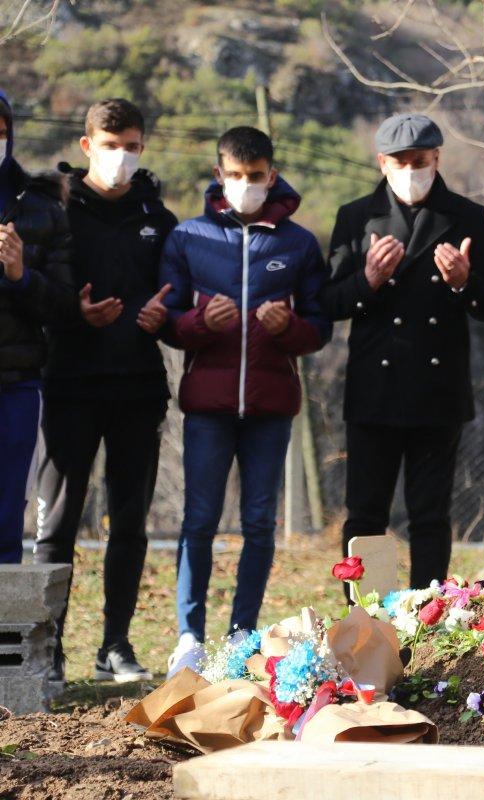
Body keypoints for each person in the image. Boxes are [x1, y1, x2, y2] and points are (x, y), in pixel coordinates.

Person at [160, 126, 331, 675]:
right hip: (207, 406)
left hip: (270, 406)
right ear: (219, 176)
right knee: (199, 520)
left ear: (272, 175)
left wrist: (289, 327)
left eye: (255, 177)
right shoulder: (188, 237)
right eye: (235, 176)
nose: (245, 186)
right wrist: (197, 322)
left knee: (259, 523)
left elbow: (320, 328)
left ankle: (241, 635)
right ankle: (188, 635)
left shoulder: (298, 244)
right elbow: (166, 321)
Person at [322, 113, 484, 595]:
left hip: (436, 391)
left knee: (430, 514)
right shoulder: (355, 217)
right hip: (374, 391)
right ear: (382, 163)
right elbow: (329, 303)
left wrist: (463, 281)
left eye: (419, 161)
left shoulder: (466, 216)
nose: (410, 170)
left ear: (436, 159)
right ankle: (365, 614)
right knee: (365, 514)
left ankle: (427, 615)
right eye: (400, 162)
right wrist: (369, 281)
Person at [31, 99, 177, 683]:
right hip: (68, 385)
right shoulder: (54, 211)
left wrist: (161, 321)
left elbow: (177, 297)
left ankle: (114, 645)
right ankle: (48, 649)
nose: (123, 156)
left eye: (133, 145)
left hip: (139, 389)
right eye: (111, 144)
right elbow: (33, 291)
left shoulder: (158, 217)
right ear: (87, 144)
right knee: (57, 524)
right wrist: (74, 312)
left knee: (130, 521)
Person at [0, 89, 74, 566]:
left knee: (7, 510)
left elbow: (63, 306)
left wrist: (20, 276)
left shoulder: (40, 208)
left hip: (16, 382)